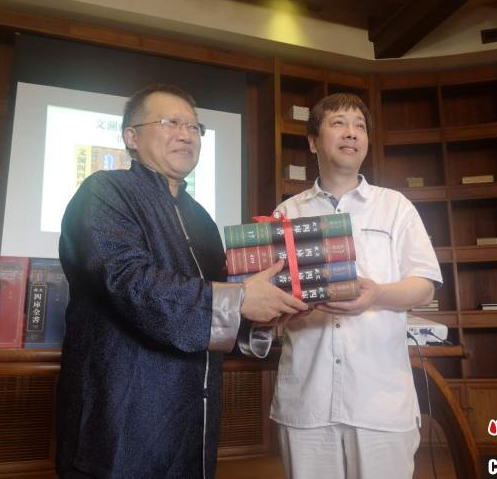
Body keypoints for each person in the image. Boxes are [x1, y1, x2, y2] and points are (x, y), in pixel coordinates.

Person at [56, 83, 308, 479]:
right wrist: (240, 300)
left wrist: (264, 315)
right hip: (121, 416)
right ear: (131, 137)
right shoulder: (104, 192)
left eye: (194, 127)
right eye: (170, 123)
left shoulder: (201, 219)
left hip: (193, 418)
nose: (186, 135)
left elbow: (218, 314)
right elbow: (129, 283)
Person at [269, 93, 442, 479]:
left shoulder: (395, 206)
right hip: (307, 400)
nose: (351, 133)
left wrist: (377, 294)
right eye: (338, 123)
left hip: (381, 401)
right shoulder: (287, 213)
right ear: (313, 142)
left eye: (359, 126)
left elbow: (425, 286)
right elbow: (273, 298)